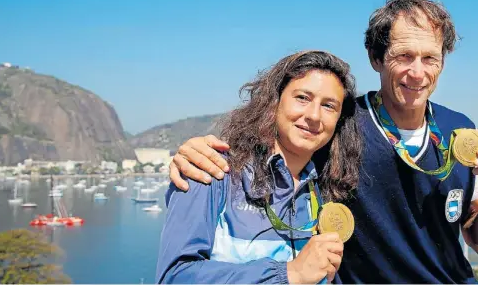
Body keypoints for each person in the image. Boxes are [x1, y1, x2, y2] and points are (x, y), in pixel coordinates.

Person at [167, 0, 478, 283]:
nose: (418, 71)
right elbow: (281, 138)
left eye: (430, 58)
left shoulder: (460, 130)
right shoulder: (343, 124)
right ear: (376, 58)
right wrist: (196, 151)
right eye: (404, 56)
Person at [155, 50, 362, 284]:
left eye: (329, 106)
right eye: (302, 97)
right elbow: (174, 277)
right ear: (275, 101)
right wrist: (288, 274)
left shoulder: (325, 192)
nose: (314, 115)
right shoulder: (212, 170)